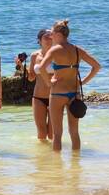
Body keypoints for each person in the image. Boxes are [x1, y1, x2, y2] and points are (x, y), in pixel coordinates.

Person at [38, 20, 101, 151]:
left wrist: (49, 83)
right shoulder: (77, 50)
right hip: (74, 93)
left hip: (57, 93)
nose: (50, 36)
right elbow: (96, 66)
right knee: (74, 133)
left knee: (57, 134)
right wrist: (83, 81)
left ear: (58, 34)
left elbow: (42, 68)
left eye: (52, 33)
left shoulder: (55, 50)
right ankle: (76, 165)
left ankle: (57, 167)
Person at [15, 29, 53, 141]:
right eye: (46, 37)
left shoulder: (57, 54)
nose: (49, 39)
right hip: (38, 97)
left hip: (55, 97)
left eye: (51, 36)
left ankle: (55, 157)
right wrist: (21, 67)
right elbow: (31, 78)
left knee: (52, 134)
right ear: (39, 40)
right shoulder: (34, 56)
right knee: (41, 134)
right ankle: (41, 157)